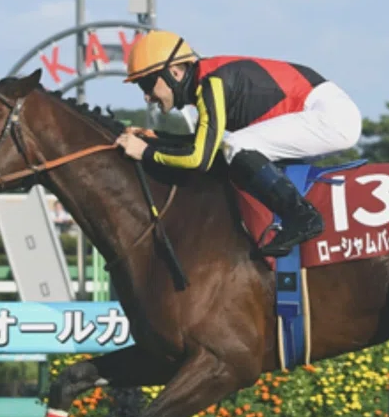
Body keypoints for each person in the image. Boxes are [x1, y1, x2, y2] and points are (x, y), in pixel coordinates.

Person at [115, 29, 363, 258]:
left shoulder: (212, 83)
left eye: (147, 84)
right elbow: (207, 144)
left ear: (174, 72)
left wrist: (146, 152)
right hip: (322, 111)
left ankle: (301, 216)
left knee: (236, 145)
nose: (146, 97)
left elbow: (199, 159)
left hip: (330, 115)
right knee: (233, 147)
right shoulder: (207, 81)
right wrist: (157, 137)